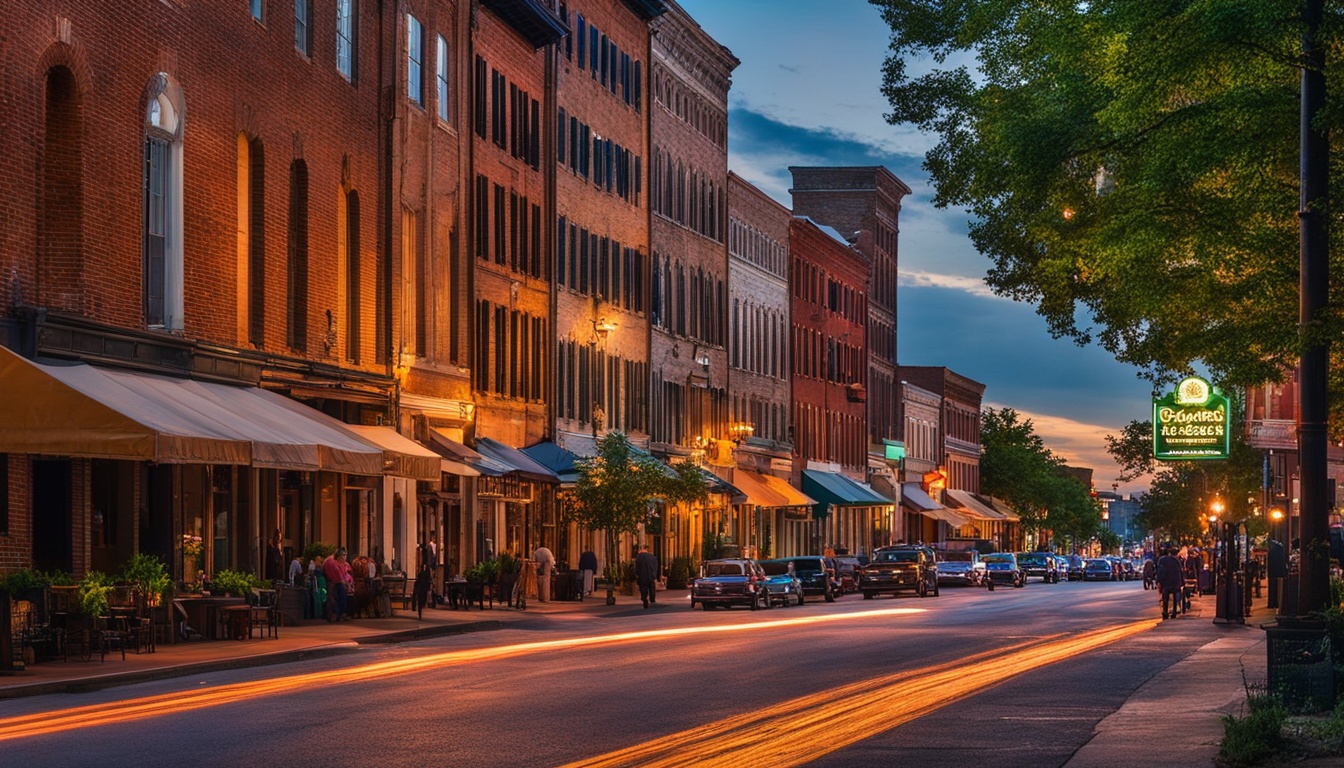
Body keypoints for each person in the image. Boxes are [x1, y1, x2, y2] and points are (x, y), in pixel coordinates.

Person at [322, 547, 353, 622]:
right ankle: (337, 615)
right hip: (336, 584)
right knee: (338, 600)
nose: (345, 557)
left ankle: (337, 615)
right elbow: (339, 576)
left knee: (335, 600)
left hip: (335, 584)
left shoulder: (337, 563)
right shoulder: (333, 562)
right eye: (344, 555)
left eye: (345, 555)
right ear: (339, 556)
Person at [1155, 547, 1184, 619]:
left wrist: (1159, 581)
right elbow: (1180, 572)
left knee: (1165, 598)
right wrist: (1182, 582)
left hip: (1165, 582)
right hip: (1175, 582)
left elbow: (1160, 572)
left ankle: (1165, 612)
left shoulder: (1162, 560)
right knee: (1174, 598)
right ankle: (1174, 612)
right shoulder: (1177, 561)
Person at [635, 544, 659, 609]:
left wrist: (637, 574)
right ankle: (652, 599)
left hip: (643, 576)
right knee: (651, 588)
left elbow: (637, 568)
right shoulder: (653, 557)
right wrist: (654, 575)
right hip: (651, 576)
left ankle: (644, 599)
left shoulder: (639, 557)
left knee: (643, 589)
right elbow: (656, 567)